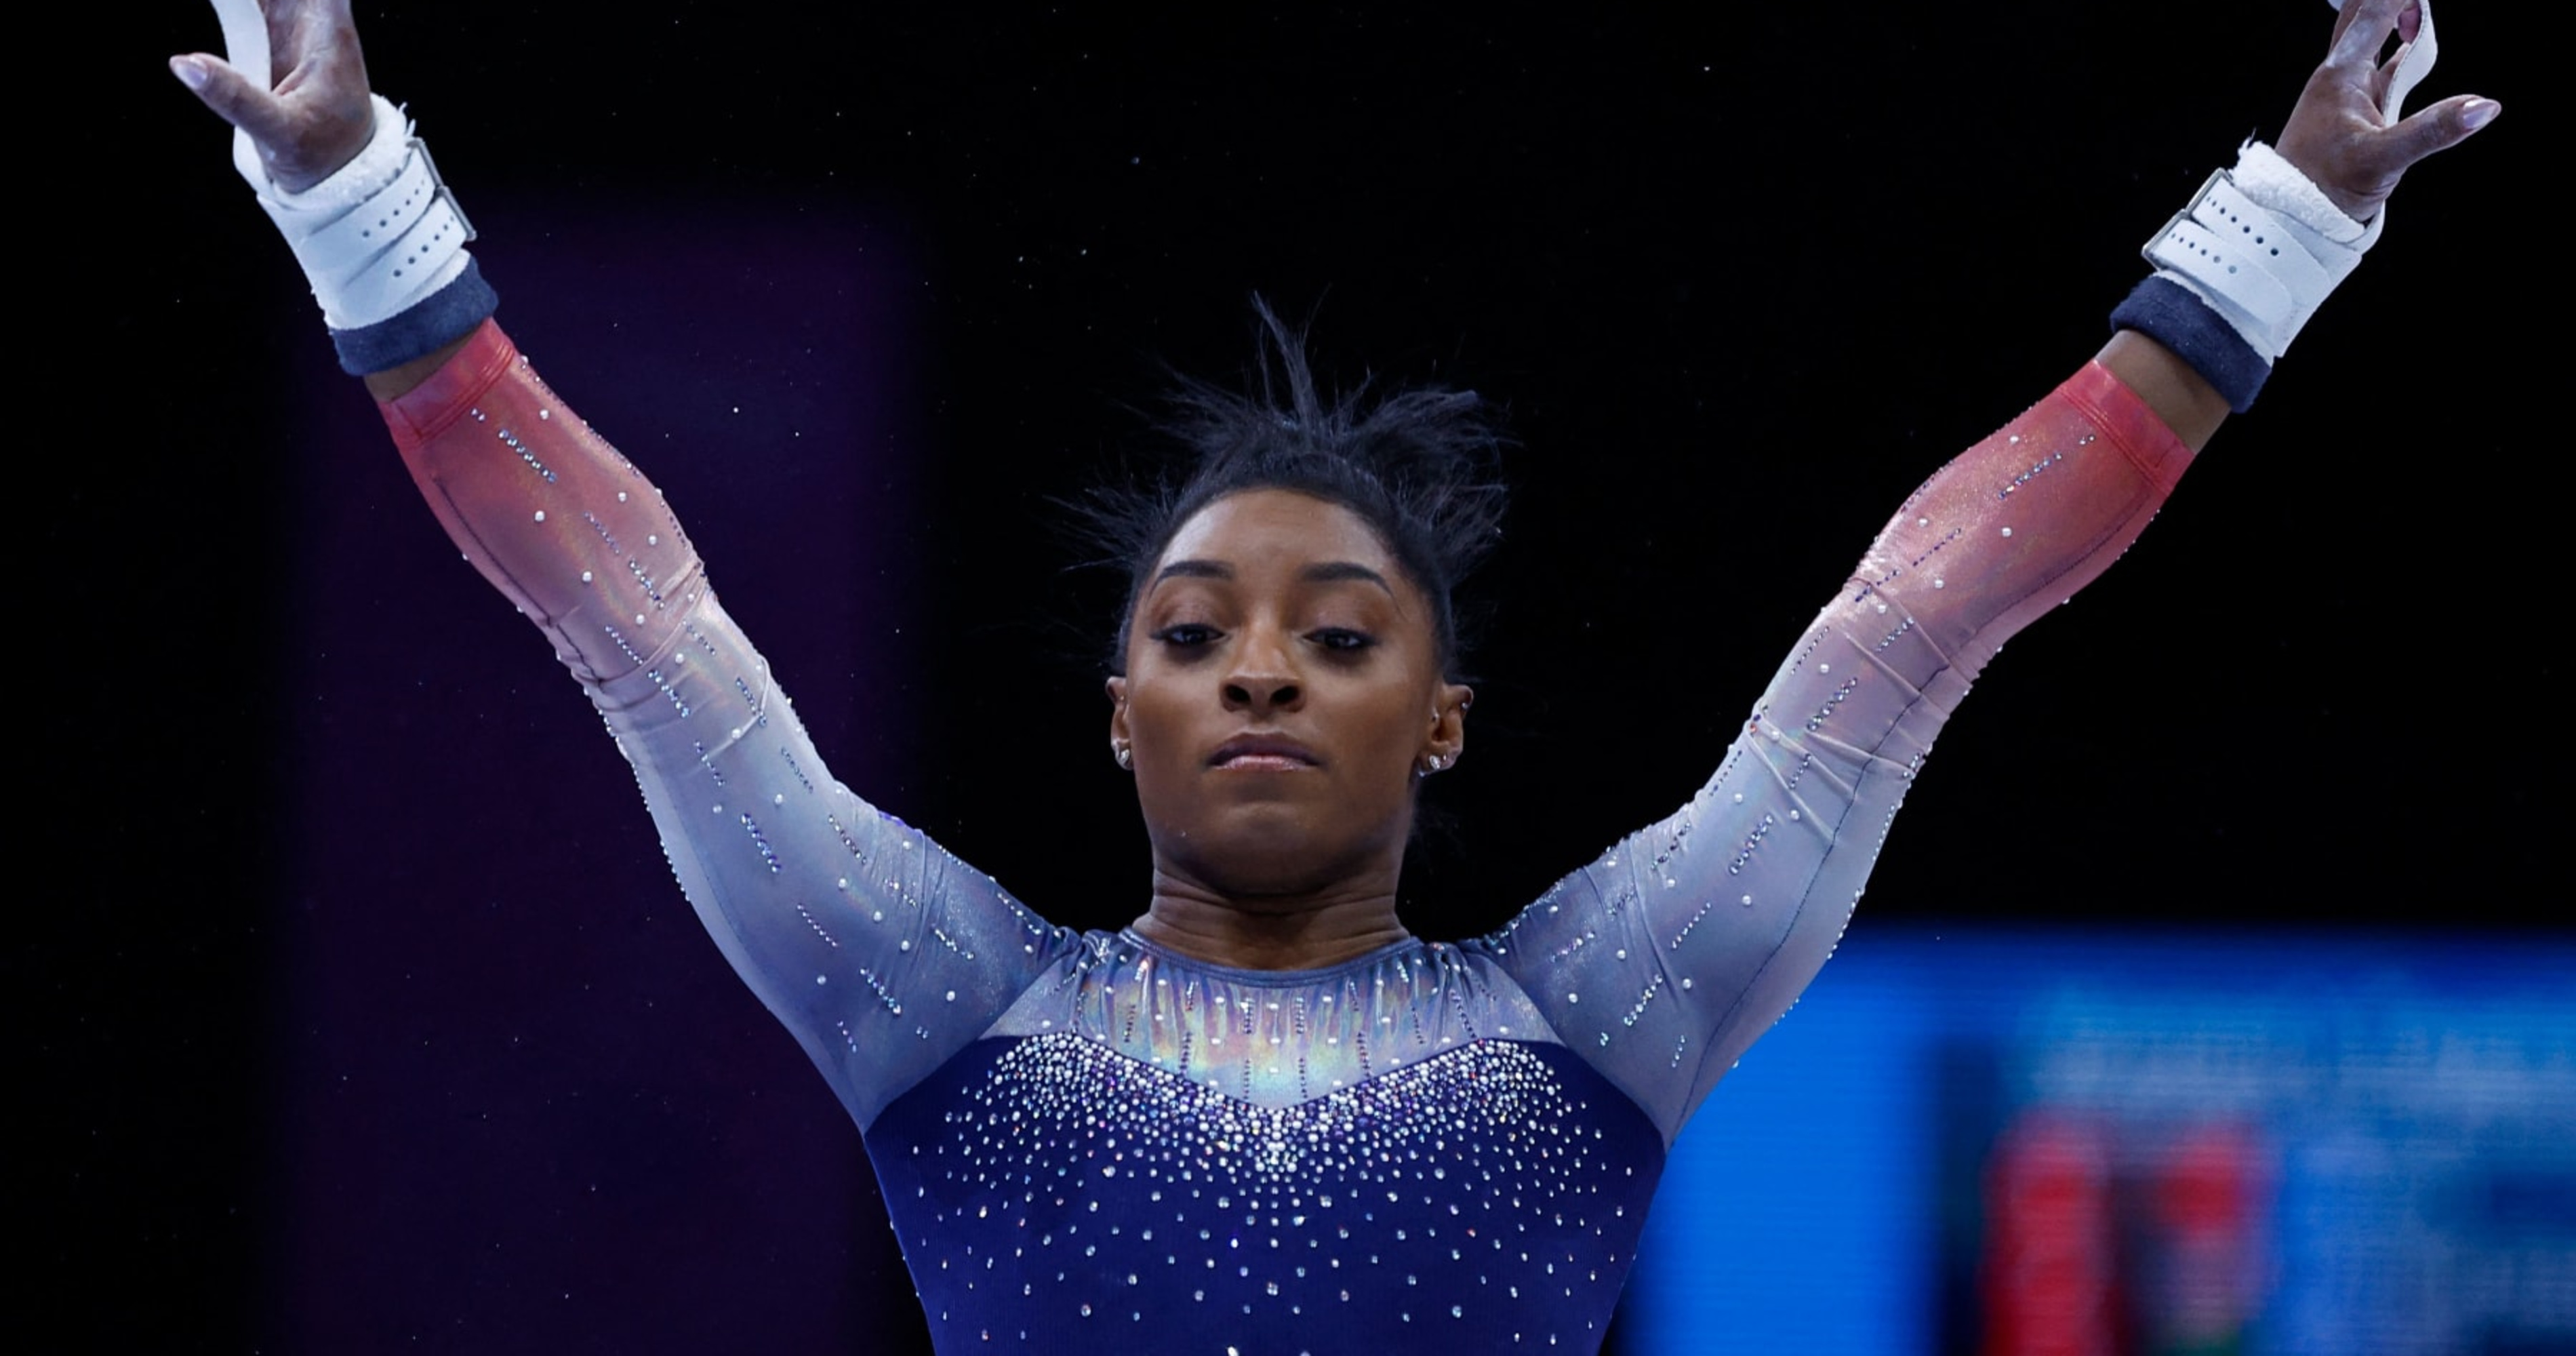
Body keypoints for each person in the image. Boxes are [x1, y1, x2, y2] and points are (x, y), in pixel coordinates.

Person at [170, 0, 2497, 1350]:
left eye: (1339, 637)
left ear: (1443, 719)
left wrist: (2267, 237)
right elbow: (634, 620)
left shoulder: (1605, 1002)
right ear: (1117, 712)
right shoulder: (938, 999)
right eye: (1191, 639)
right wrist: (357, 197)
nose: (1259, 672)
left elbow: (1914, 623)